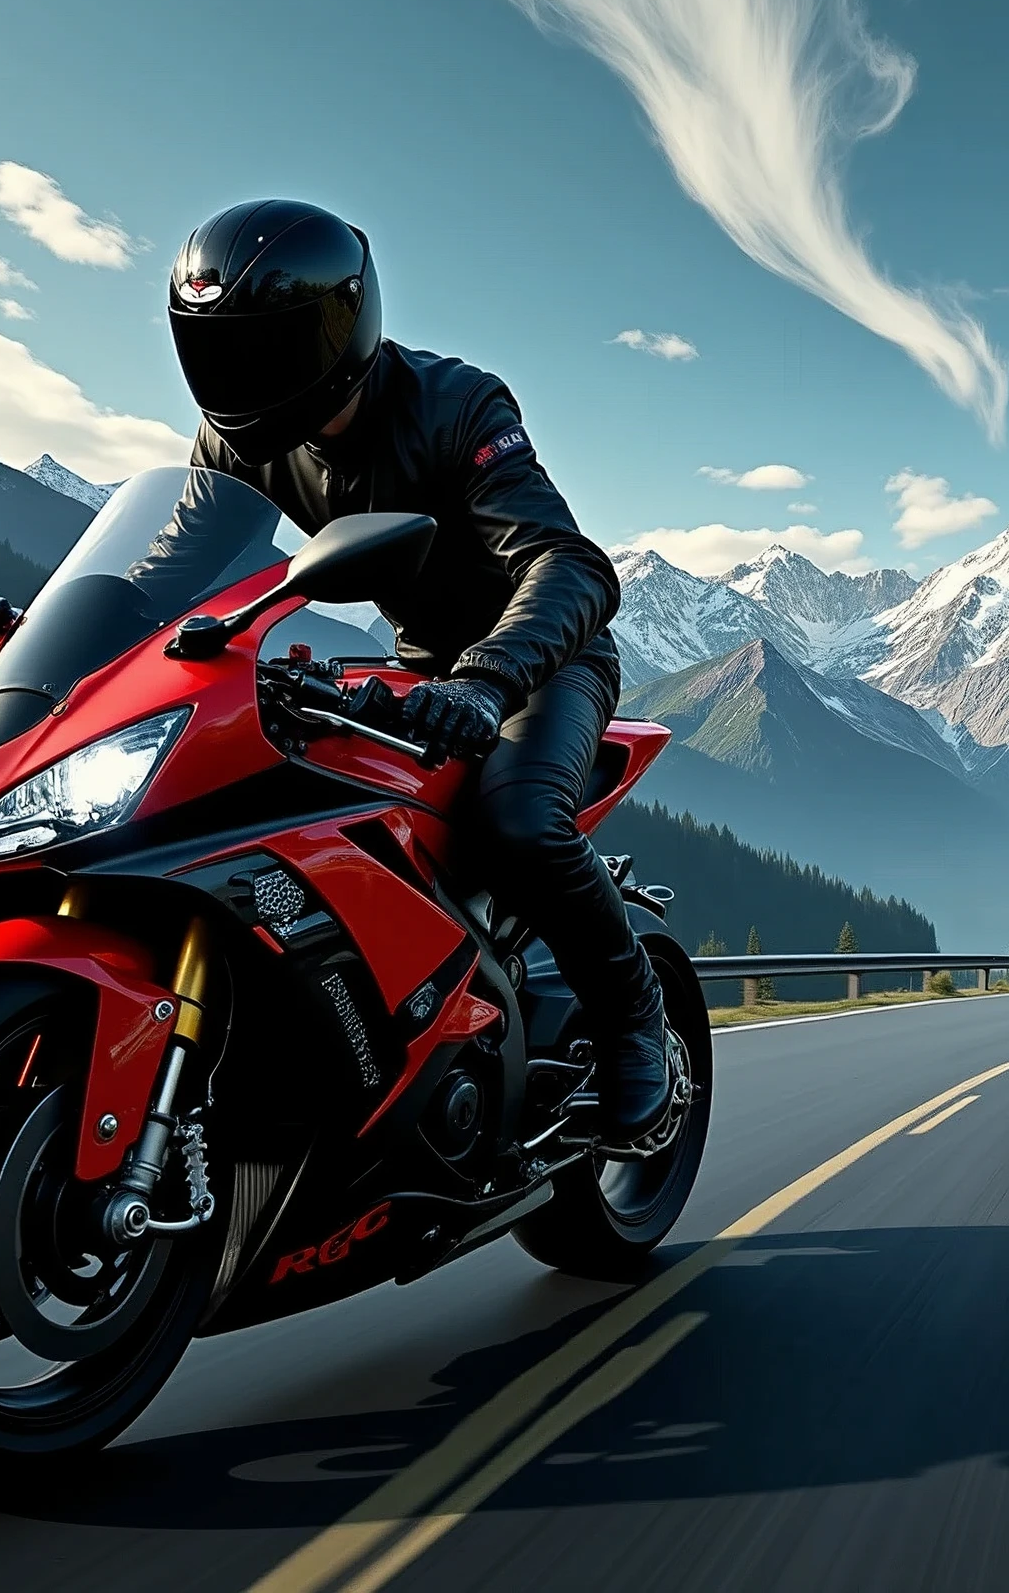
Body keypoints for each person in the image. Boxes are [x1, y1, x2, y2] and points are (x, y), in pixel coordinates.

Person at [165, 199, 669, 1143]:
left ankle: (635, 1028)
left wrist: (487, 680)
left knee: (519, 818)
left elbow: (570, 565)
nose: (240, 379)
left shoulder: (456, 405)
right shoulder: (235, 444)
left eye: (264, 349)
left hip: (540, 663)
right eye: (218, 351)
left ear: (337, 333)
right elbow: (177, 566)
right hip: (417, 670)